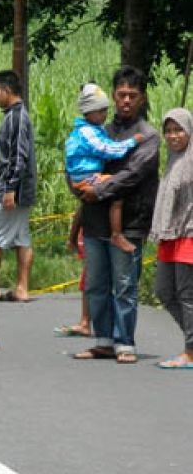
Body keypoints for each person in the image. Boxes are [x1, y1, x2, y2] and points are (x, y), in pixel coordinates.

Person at [73, 66, 159, 364]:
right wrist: (81, 188)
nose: (126, 101)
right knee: (96, 283)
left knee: (124, 285)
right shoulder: (97, 131)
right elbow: (78, 163)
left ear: (141, 98)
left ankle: (125, 342)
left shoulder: (147, 136)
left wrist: (100, 189)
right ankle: (103, 339)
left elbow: (132, 175)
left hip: (132, 223)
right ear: (112, 96)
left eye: (132, 96)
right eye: (121, 94)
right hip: (95, 221)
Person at [65, 82, 144, 255]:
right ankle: (116, 234)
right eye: (100, 111)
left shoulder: (86, 130)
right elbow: (106, 149)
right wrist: (131, 142)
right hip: (86, 177)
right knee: (117, 190)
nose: (104, 115)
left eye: (105, 111)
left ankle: (72, 238)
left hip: (80, 178)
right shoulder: (88, 133)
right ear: (89, 112)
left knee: (84, 204)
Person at [0, 69, 37, 303]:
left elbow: (19, 155)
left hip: (10, 190)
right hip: (20, 190)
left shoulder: (16, 117)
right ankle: (22, 288)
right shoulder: (16, 115)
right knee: (21, 237)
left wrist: (9, 188)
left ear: (7, 91)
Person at [150, 108, 193, 369]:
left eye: (179, 130)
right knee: (164, 291)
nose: (173, 135)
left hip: (188, 234)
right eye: (168, 131)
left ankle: (190, 351)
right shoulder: (172, 159)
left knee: (187, 294)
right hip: (169, 235)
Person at [53, 205, 93, 338]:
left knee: (91, 276)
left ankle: (86, 322)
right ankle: (85, 321)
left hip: (97, 229)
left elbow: (83, 205)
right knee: (89, 275)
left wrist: (72, 236)